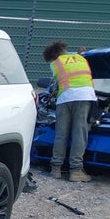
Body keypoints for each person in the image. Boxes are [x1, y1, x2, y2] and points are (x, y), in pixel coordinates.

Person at [42, 41, 97, 182]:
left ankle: (56, 169)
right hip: (84, 97)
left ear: (53, 55)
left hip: (64, 98)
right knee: (79, 133)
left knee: (61, 135)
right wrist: (80, 52)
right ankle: (76, 171)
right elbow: (76, 61)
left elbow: (62, 77)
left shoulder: (55, 63)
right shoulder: (82, 58)